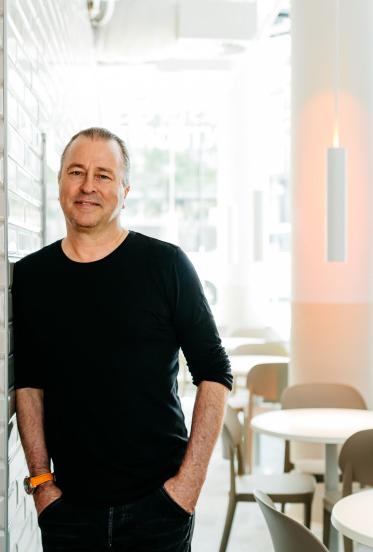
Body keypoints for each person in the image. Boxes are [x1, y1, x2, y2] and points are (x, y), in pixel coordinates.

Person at [13, 127, 233, 551]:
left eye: (104, 175)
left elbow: (215, 372)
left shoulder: (166, 265)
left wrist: (187, 486)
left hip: (158, 507)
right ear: (59, 184)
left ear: (124, 192)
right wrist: (42, 485)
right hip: (68, 512)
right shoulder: (31, 277)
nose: (88, 186)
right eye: (76, 172)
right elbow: (29, 385)